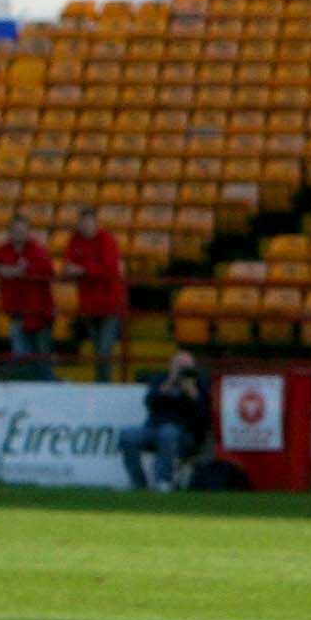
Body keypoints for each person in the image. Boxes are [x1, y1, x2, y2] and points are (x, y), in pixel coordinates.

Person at [120, 349, 208, 489]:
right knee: (127, 436)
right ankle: (138, 483)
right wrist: (168, 384)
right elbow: (149, 402)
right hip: (153, 428)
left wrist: (192, 392)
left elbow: (203, 415)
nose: (182, 370)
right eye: (179, 365)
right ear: (171, 365)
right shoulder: (161, 379)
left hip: (183, 433)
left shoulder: (199, 383)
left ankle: (164, 482)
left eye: (186, 366)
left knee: (167, 433)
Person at [61, 205, 126, 381]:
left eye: (88, 222)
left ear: (95, 222)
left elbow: (109, 269)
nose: (85, 225)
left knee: (104, 350)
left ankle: (102, 384)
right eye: (82, 222)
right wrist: (79, 270)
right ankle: (102, 382)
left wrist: (82, 270)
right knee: (98, 349)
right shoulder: (75, 240)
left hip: (109, 303)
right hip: (88, 304)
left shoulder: (107, 240)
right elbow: (68, 266)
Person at [0, 215, 55, 379]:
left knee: (41, 359)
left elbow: (47, 269)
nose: (18, 234)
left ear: (27, 232)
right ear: (10, 232)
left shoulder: (36, 250)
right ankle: (27, 394)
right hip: (17, 312)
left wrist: (23, 271)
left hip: (39, 313)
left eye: (22, 230)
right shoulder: (3, 251)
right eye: (15, 231)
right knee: (21, 358)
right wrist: (0, 269)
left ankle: (47, 391)